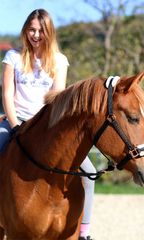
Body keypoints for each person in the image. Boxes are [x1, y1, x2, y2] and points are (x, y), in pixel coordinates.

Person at [1, 9, 96, 240]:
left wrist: (46, 129)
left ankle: (84, 232)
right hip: (16, 121)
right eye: (31, 30)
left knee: (89, 173)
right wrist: (14, 126)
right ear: (25, 31)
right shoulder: (13, 57)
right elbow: (7, 92)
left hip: (45, 126)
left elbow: (56, 100)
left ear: (49, 32)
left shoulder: (60, 61)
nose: (35, 35)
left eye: (40, 30)